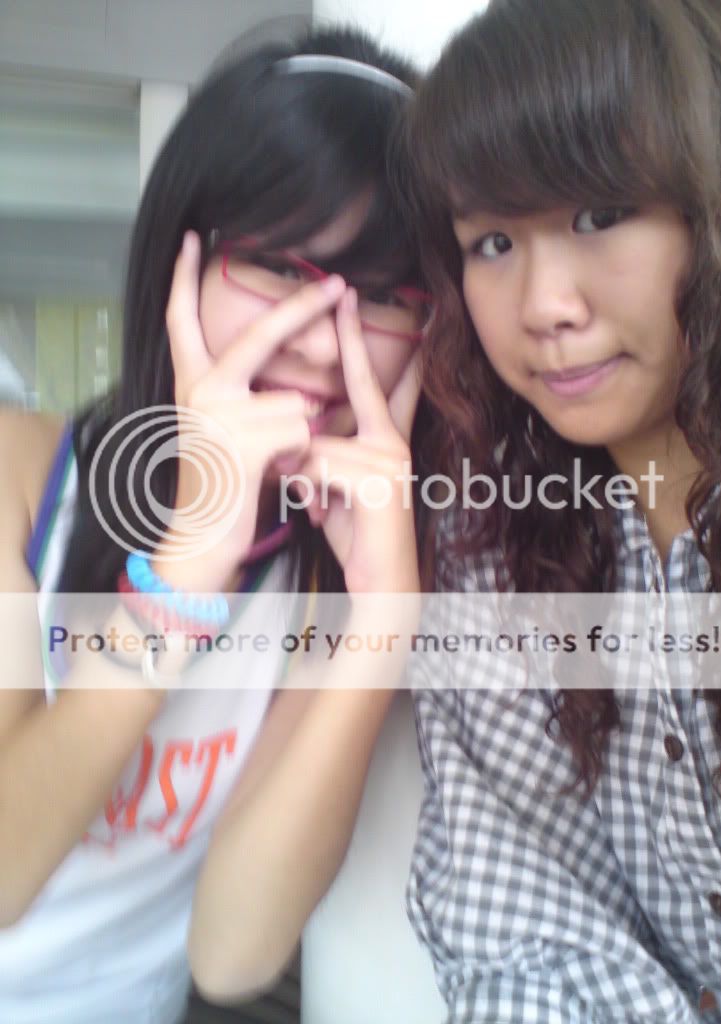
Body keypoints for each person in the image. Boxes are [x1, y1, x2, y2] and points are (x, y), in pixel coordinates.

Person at [0, 25, 429, 1024]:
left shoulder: (329, 576)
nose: (320, 344)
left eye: (383, 294)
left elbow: (234, 952)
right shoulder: (20, 476)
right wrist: (186, 568)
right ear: (176, 263)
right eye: (275, 266)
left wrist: (384, 618)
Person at [402, 1, 721, 1021]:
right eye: (491, 242)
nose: (544, 307)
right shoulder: (494, 547)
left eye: (600, 215)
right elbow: (522, 917)